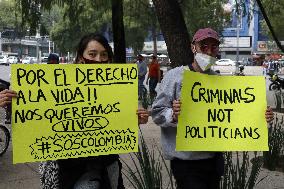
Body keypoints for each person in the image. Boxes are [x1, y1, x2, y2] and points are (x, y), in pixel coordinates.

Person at [0, 33, 149, 189]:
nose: (98, 60)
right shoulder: (57, 85)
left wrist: (135, 118)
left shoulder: (118, 88)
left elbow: (119, 121)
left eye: (104, 55)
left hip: (107, 171)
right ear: (80, 57)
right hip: (68, 173)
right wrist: (9, 101)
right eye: (92, 54)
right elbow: (36, 119)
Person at [151, 28, 274, 189]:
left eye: (214, 47)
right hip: (186, 163)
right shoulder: (175, 76)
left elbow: (232, 116)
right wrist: (173, 114)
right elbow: (157, 113)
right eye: (204, 46)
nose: (209, 51)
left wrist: (260, 116)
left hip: (213, 160)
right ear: (193, 47)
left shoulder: (220, 81)